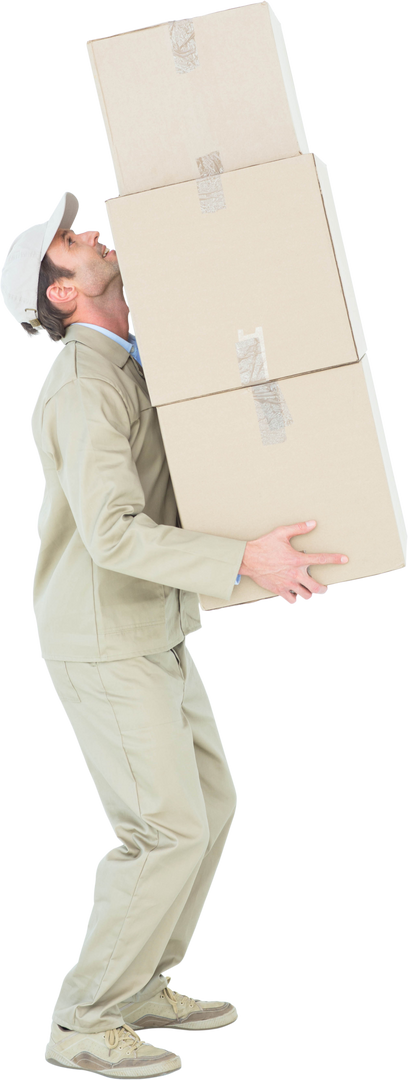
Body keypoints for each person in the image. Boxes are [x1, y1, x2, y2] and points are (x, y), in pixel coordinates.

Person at [0, 189, 348, 1079]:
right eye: (70, 242)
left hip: (154, 622)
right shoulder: (81, 387)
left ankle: (145, 977)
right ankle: (82, 1018)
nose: (90, 234)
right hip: (103, 634)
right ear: (63, 296)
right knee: (162, 832)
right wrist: (246, 562)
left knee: (212, 808)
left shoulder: (134, 358)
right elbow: (112, 531)